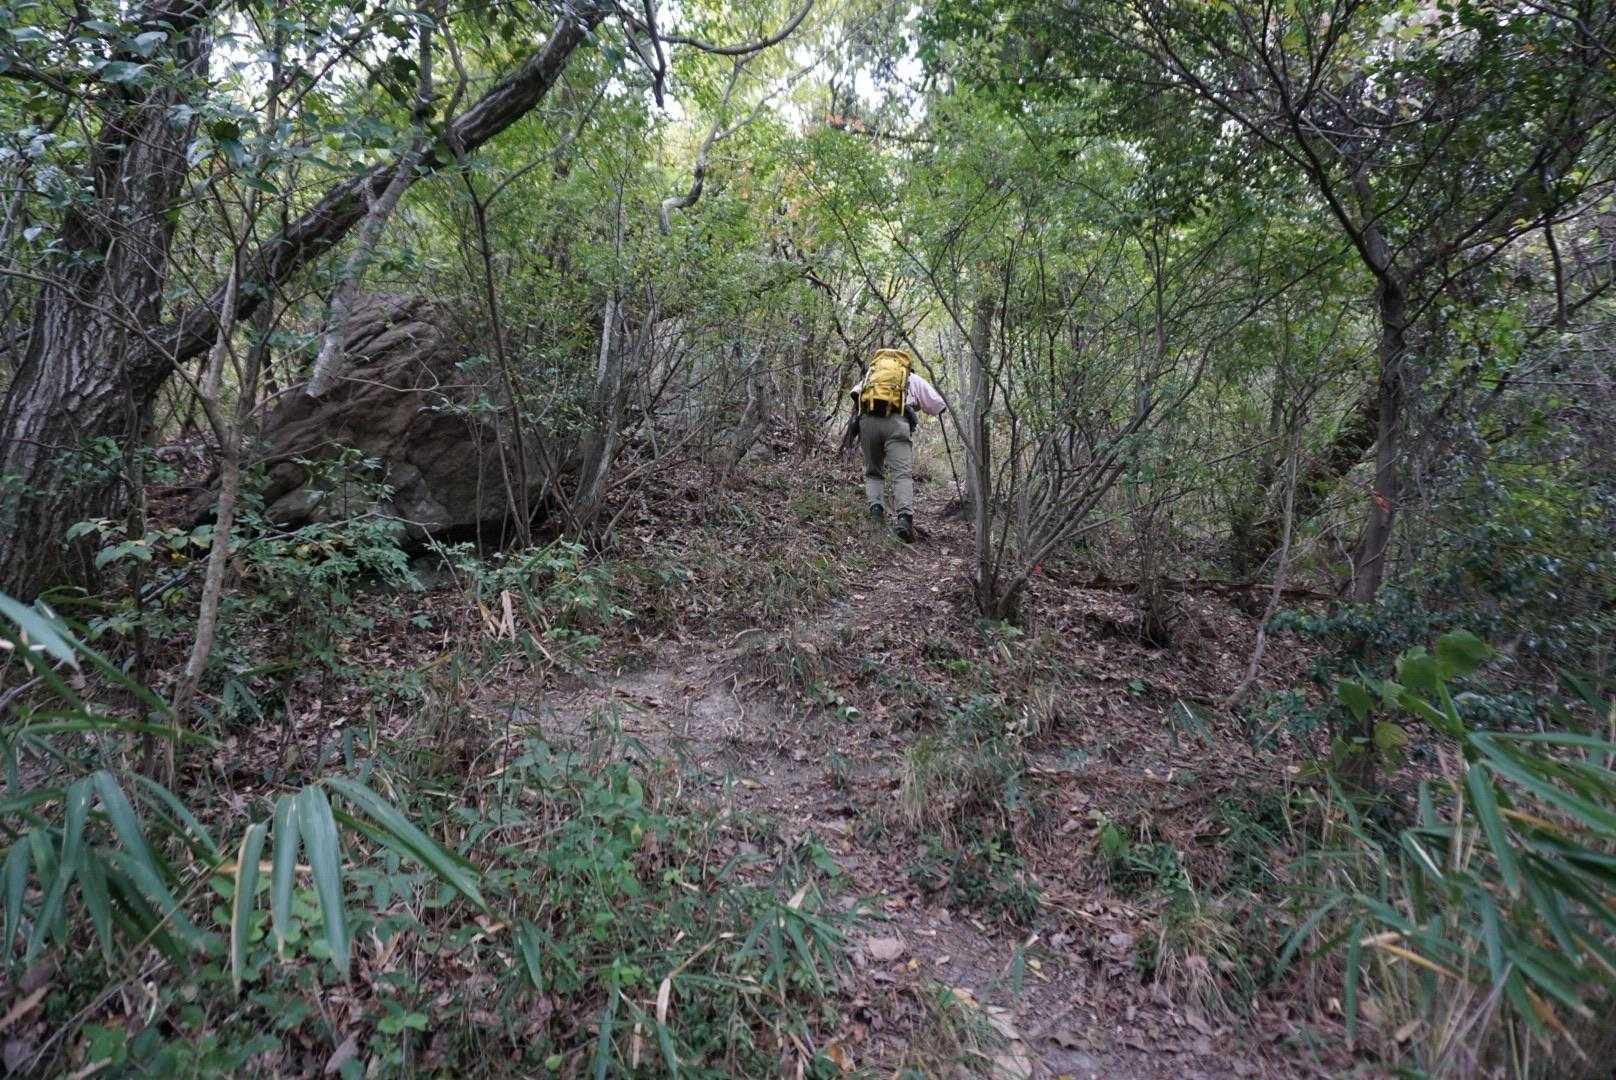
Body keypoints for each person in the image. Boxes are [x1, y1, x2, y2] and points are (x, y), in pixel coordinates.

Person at [845, 347, 946, 542]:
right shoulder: (910, 378)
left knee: (873, 472)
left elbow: (855, 394)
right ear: (904, 363)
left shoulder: (871, 376)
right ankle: (904, 520)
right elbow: (937, 405)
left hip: (868, 423)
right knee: (902, 475)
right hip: (897, 424)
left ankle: (876, 513)